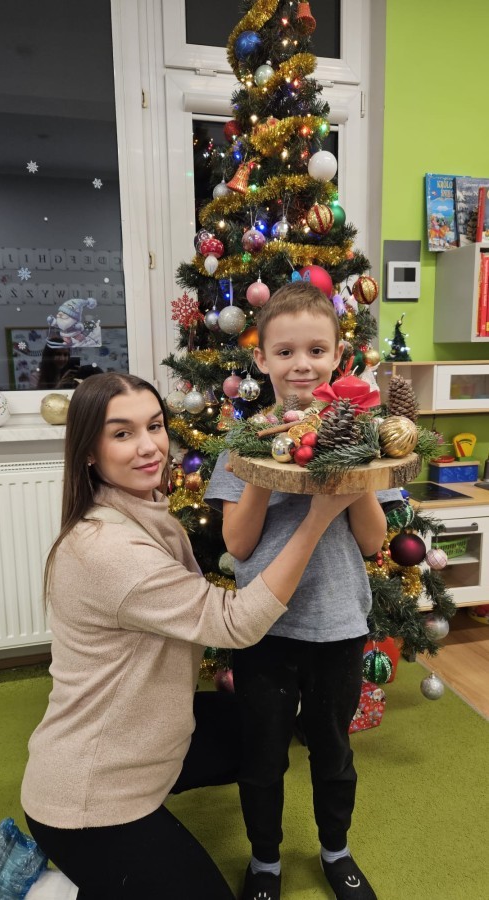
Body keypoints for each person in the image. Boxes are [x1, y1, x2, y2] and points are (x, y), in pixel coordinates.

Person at [20, 371, 365, 900]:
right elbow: (233, 622)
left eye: (155, 426)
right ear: (88, 451)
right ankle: (64, 886)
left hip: (141, 734)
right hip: (90, 796)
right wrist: (316, 519)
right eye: (122, 433)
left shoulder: (141, 510)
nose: (149, 447)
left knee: (262, 730)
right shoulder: (108, 550)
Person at [204, 282, 388, 900]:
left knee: (333, 751)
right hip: (263, 629)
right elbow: (238, 545)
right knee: (262, 755)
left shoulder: (359, 438)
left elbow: (372, 541)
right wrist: (264, 458)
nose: (301, 365)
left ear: (338, 355)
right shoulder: (241, 442)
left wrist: (347, 465)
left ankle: (336, 850)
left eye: (316, 350)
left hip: (338, 624)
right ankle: (265, 861)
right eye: (284, 352)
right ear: (261, 358)